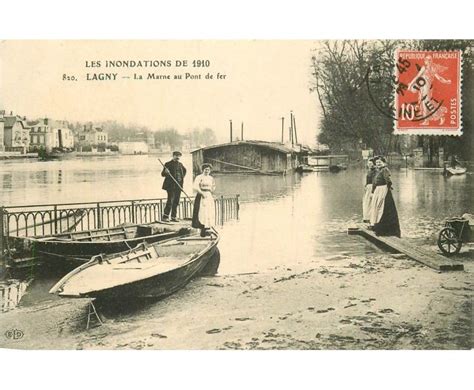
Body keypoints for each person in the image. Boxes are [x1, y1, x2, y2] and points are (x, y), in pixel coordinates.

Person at [370, 156, 401, 237]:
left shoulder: (385, 170)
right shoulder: (378, 170)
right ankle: (375, 224)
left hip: (383, 190)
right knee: (376, 207)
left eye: (380, 162)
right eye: (377, 163)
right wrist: (373, 191)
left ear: (384, 163)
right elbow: (374, 182)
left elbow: (388, 180)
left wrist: (387, 188)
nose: (378, 164)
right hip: (378, 190)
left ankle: (383, 228)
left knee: (381, 207)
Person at [161, 151, 187, 222]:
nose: (178, 157)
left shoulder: (180, 164)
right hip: (170, 186)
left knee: (176, 201)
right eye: (176, 156)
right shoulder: (168, 164)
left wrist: (181, 178)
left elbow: (184, 171)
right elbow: (162, 174)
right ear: (173, 156)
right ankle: (165, 217)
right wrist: (166, 172)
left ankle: (173, 217)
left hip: (178, 186)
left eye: (179, 156)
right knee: (170, 201)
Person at [192, 163, 216, 237]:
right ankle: (202, 229)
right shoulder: (199, 177)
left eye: (208, 170)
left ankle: (207, 227)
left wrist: (211, 191)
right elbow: (195, 186)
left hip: (208, 195)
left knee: (209, 211)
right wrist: (202, 193)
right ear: (202, 170)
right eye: (205, 169)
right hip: (201, 195)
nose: (207, 171)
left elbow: (213, 186)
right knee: (202, 212)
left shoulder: (211, 178)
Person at [362, 158, 376, 223]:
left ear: (374, 164)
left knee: (370, 203)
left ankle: (370, 218)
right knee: (366, 203)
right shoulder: (369, 171)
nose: (369, 165)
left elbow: (374, 181)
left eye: (371, 164)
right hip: (368, 188)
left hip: (371, 187)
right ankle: (366, 217)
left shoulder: (375, 171)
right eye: (368, 163)